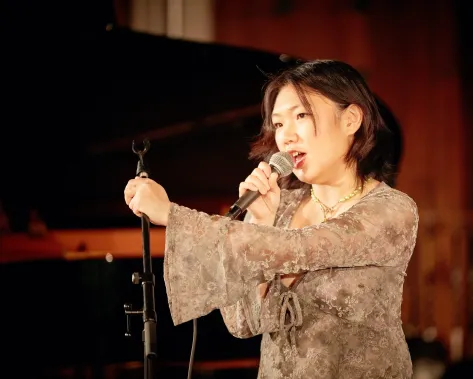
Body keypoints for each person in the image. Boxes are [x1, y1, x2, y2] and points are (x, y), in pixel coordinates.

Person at [123, 59, 419, 379]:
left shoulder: (392, 210)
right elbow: (241, 323)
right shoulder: (281, 208)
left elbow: (301, 247)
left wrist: (170, 213)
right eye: (278, 124)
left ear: (351, 119)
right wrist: (261, 223)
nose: (286, 136)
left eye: (301, 116)